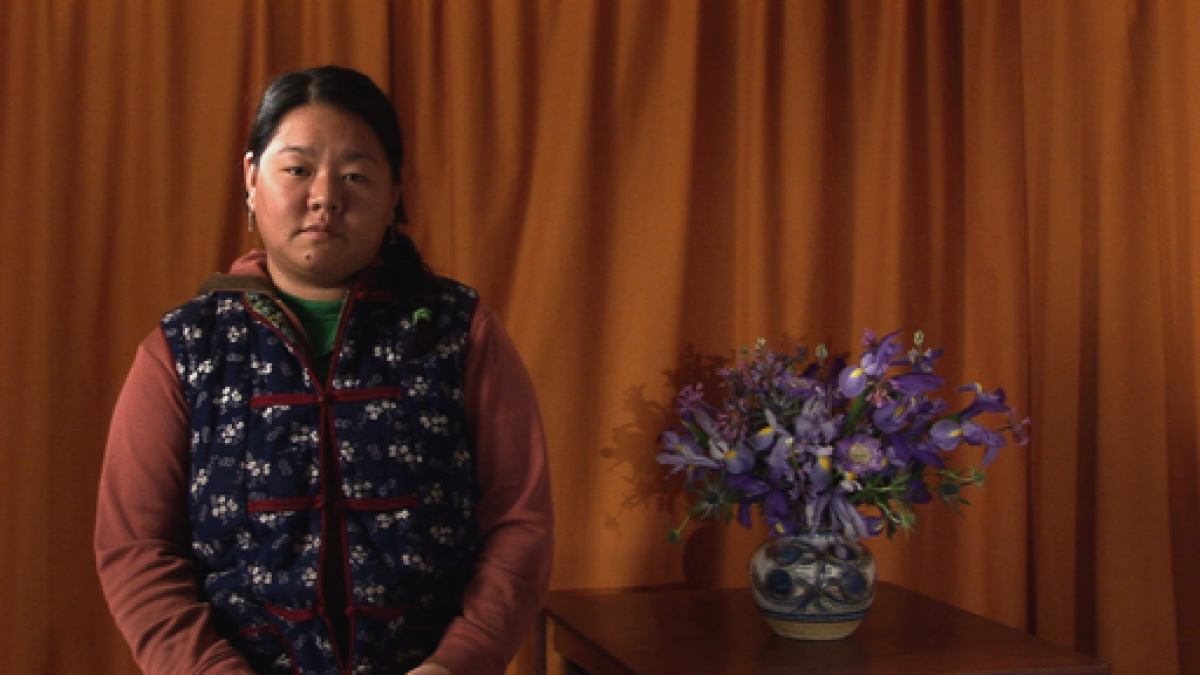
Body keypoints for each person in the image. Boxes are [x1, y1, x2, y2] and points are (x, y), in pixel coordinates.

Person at [95, 65, 554, 675]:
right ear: (251, 178)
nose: (325, 197)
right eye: (297, 169)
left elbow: (520, 521)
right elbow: (137, 548)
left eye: (357, 174)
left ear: (394, 195)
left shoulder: (456, 331)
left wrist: (459, 664)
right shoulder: (185, 347)